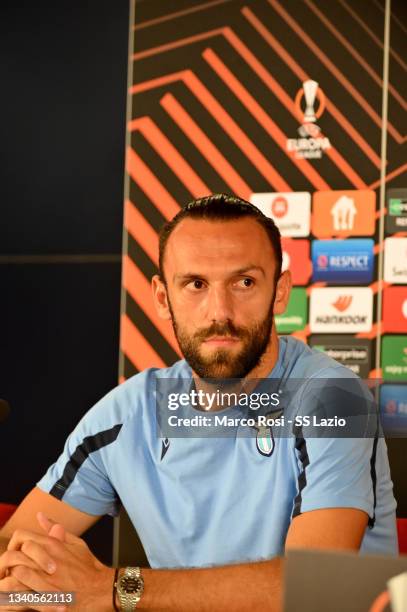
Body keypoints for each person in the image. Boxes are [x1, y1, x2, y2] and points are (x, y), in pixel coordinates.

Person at [0, 194, 397, 611]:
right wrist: (49, 594)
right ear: (160, 296)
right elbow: (15, 547)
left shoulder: (333, 399)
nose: (219, 312)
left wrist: (115, 589)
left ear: (280, 292)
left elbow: (316, 585)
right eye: (195, 284)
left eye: (244, 282)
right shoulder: (126, 414)